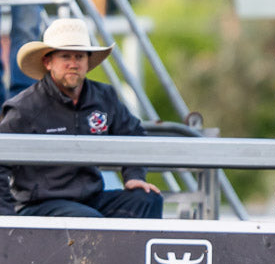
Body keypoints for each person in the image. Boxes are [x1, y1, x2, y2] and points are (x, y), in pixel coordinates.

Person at [0, 17, 162, 218]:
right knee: (88, 220)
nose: (73, 64)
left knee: (147, 199)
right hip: (41, 204)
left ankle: (128, 250)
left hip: (91, 198)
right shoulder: (24, 108)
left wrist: (134, 176)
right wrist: (6, 218)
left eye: (79, 57)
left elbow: (133, 134)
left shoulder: (104, 97)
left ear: (88, 63)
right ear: (48, 62)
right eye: (65, 57)